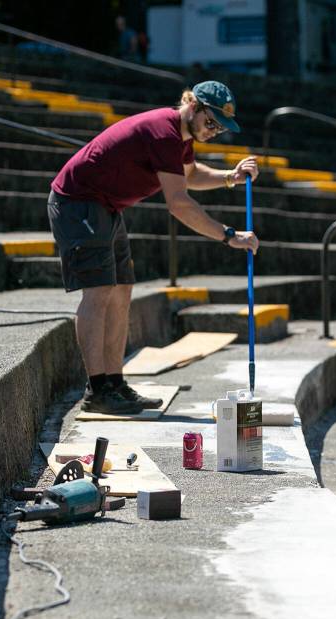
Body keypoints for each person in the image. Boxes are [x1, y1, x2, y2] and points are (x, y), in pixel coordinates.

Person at [48, 81, 259, 415]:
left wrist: (230, 177)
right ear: (193, 106)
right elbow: (178, 203)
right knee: (99, 290)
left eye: (220, 127)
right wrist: (228, 235)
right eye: (212, 122)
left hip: (105, 206)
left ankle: (114, 383)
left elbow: (190, 175)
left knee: (122, 290)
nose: (215, 130)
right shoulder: (164, 132)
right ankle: (98, 389)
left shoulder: (182, 139)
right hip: (78, 202)